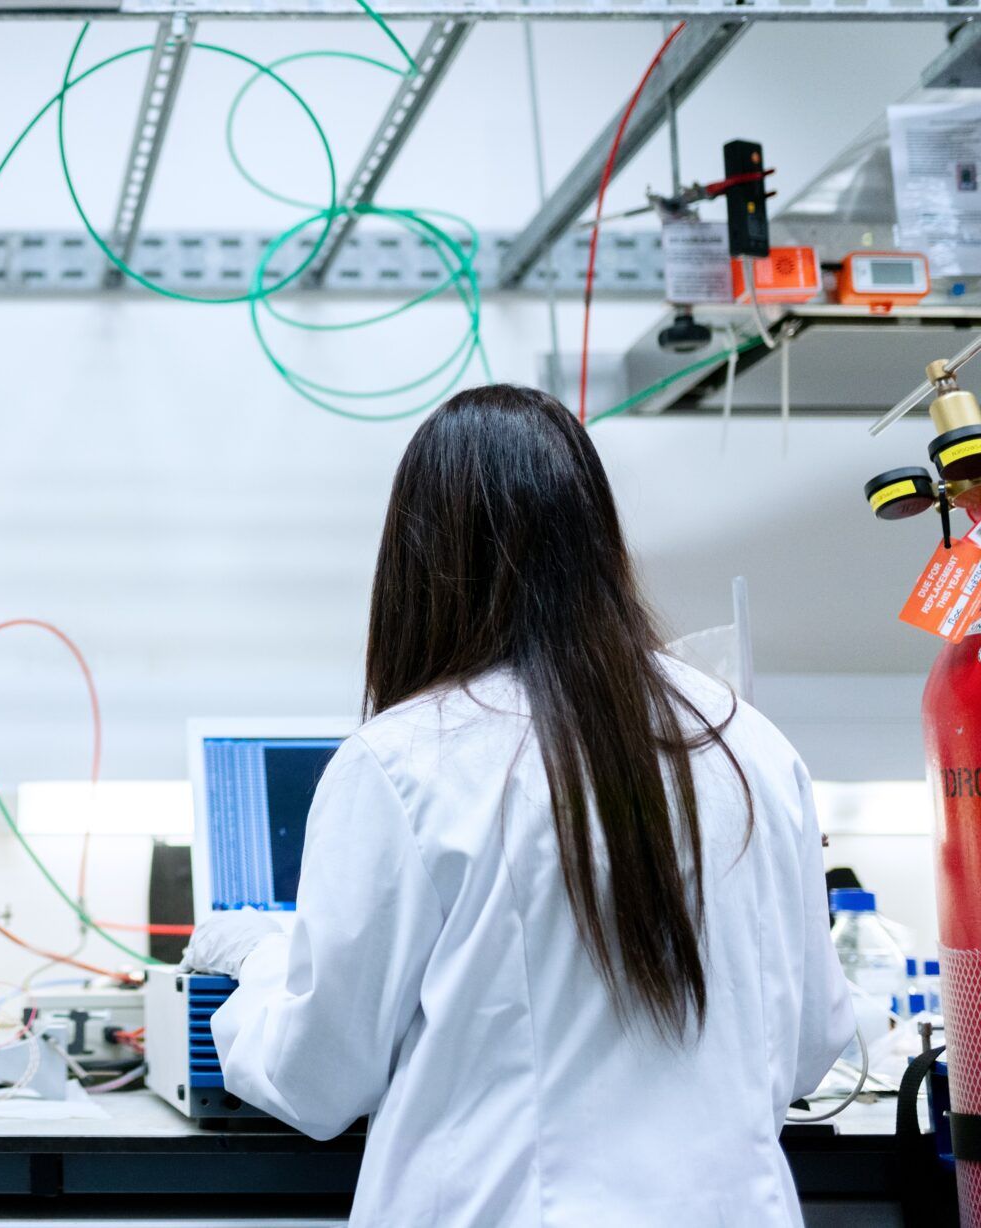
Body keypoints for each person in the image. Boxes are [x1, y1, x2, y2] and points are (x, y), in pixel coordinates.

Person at [182, 385, 853, 1228]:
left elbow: (319, 1076)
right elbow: (806, 1049)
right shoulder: (745, 743)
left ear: (420, 561)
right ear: (599, 539)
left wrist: (256, 964)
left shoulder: (406, 760)